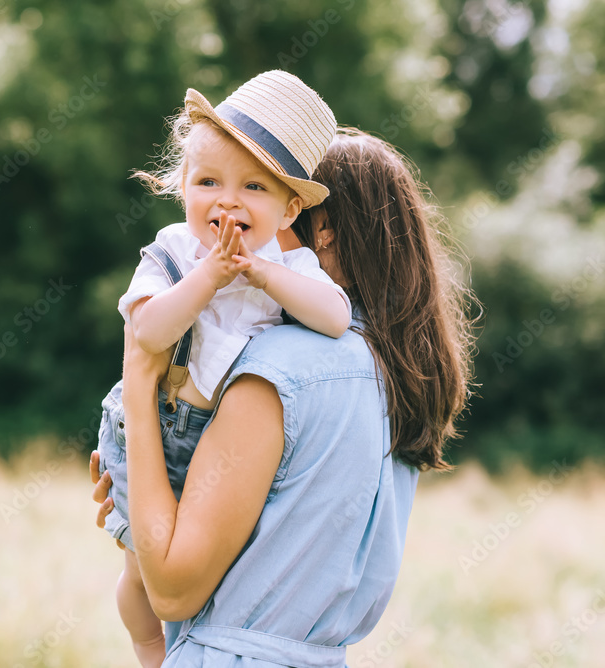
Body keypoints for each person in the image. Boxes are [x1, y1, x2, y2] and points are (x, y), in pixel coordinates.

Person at [91, 126, 476, 665]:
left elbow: (175, 588)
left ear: (321, 230)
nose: (242, 220)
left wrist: (138, 391)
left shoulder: (280, 366)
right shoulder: (399, 377)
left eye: (263, 192)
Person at [96, 70, 352, 667]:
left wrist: (265, 275)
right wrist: (209, 276)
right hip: (156, 424)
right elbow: (148, 334)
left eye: (254, 188)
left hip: (219, 446)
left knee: (207, 573)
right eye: (208, 181)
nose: (227, 200)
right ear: (182, 185)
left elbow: (336, 317)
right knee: (145, 576)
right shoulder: (175, 252)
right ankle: (149, 652)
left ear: (289, 210)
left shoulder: (286, 267)